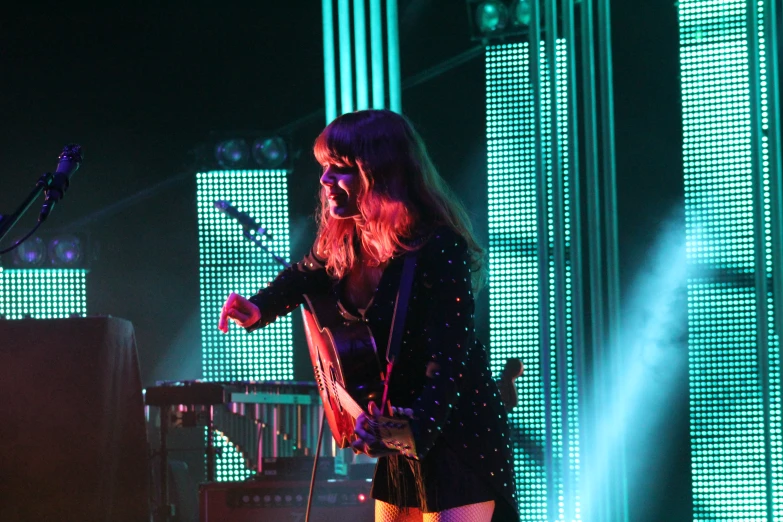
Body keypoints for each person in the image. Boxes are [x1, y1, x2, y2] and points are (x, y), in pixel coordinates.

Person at [218, 109, 518, 522]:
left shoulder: (437, 246)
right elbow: (303, 275)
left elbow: (452, 355)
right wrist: (259, 308)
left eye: (339, 169)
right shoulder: (345, 239)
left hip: (452, 431)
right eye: (325, 168)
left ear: (382, 173)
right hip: (400, 429)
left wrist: (418, 428)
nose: (324, 181)